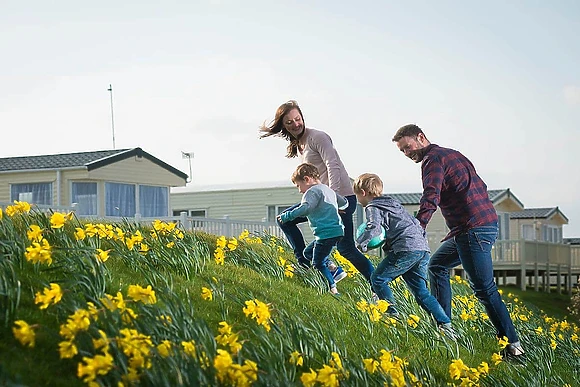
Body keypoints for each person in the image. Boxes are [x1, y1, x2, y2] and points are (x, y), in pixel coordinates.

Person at [392, 123, 524, 359]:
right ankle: (444, 326)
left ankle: (513, 347)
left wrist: (419, 225)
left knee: (484, 289)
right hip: (480, 225)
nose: (406, 153)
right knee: (437, 265)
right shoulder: (452, 154)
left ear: (421, 138)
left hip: (472, 230)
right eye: (401, 151)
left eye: (408, 147)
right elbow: (480, 186)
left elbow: (431, 195)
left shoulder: (431, 160)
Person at [260, 100, 374, 283]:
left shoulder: (318, 137)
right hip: (323, 200)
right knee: (285, 219)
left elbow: (332, 164)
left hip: (341, 198)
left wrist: (335, 199)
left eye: (297, 119)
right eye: (289, 122)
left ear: (302, 117)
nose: (295, 124)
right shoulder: (300, 144)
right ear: (284, 126)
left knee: (346, 249)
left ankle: (378, 284)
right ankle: (316, 265)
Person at [353, 173, 457, 336]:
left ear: (363, 192)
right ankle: (446, 325)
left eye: (357, 195)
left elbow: (374, 227)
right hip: (422, 249)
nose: (358, 199)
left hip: (406, 249)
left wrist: (360, 243)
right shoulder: (394, 204)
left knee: (378, 278)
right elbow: (414, 223)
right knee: (421, 292)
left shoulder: (372, 207)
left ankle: (391, 314)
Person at [278, 163, 347, 295]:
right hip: (337, 231)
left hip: (326, 233)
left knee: (317, 263)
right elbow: (344, 202)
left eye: (299, 185)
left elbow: (306, 208)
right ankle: (333, 268)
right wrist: (335, 208)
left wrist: (288, 216)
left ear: (307, 179)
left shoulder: (312, 191)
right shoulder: (327, 189)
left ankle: (332, 289)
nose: (299, 190)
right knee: (308, 253)